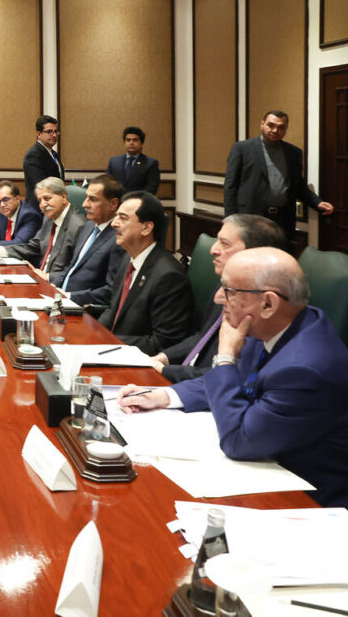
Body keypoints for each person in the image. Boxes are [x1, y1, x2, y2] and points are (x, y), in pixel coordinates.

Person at [118, 248, 348, 508]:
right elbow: (233, 381)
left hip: (304, 501)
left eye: (229, 291)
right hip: (264, 469)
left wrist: (225, 355)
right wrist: (163, 396)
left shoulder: (305, 369)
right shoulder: (275, 325)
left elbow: (238, 441)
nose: (218, 298)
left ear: (268, 303)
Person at [151, 215, 287, 382]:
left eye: (225, 244)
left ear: (253, 253)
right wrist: (163, 358)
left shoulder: (261, 305)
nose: (213, 250)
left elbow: (234, 375)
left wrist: (166, 371)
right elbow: (203, 336)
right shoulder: (226, 283)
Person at [98, 191, 193, 355]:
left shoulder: (168, 276)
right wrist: (93, 335)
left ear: (146, 228)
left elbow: (162, 343)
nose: (114, 223)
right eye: (116, 216)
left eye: (123, 218)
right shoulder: (128, 259)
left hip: (137, 361)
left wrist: (108, 343)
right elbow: (113, 310)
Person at [223, 110, 334, 240]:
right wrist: (230, 220)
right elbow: (230, 186)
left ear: (286, 129)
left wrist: (317, 203)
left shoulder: (293, 152)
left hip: (283, 218)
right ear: (262, 124)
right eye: (271, 125)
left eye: (281, 127)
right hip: (250, 217)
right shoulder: (242, 149)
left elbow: (298, 186)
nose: (275, 130)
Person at [0, 177, 84, 284]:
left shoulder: (78, 226)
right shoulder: (49, 217)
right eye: (40, 200)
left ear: (63, 197)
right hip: (37, 277)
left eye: (47, 198)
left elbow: (78, 269)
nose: (43, 205)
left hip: (58, 285)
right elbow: (34, 246)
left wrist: (48, 276)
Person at [50, 174, 126, 306]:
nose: (84, 204)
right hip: (60, 301)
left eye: (93, 199)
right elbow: (71, 267)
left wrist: (69, 297)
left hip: (83, 308)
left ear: (113, 203)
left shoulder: (119, 238)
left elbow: (111, 291)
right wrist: (52, 288)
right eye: (86, 198)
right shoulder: (88, 226)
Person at [22, 115, 64, 210]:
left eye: (56, 131)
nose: (54, 135)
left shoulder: (53, 154)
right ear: (38, 133)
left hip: (52, 206)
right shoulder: (33, 155)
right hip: (38, 209)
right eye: (49, 131)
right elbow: (41, 186)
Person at [106, 126, 160, 194]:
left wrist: (133, 199)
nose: (131, 143)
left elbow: (151, 188)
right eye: (128, 140)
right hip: (117, 199)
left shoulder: (151, 163)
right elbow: (108, 184)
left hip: (138, 200)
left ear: (141, 143)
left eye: (135, 140)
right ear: (124, 142)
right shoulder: (114, 162)